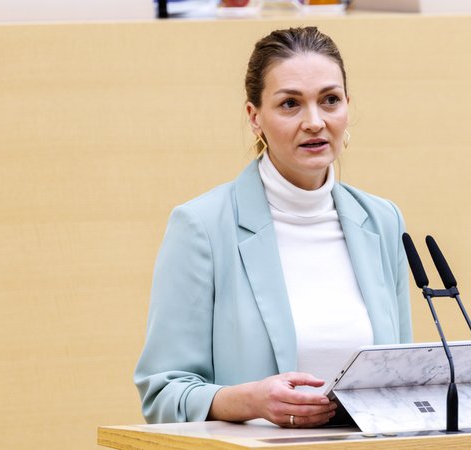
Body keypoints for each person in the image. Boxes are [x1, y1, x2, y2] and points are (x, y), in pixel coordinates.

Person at [134, 26, 413, 427]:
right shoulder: (202, 226)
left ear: (348, 107)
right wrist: (249, 401)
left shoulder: (382, 220)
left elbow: (399, 375)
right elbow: (163, 393)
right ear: (255, 117)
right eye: (290, 104)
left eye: (330, 100)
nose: (315, 121)